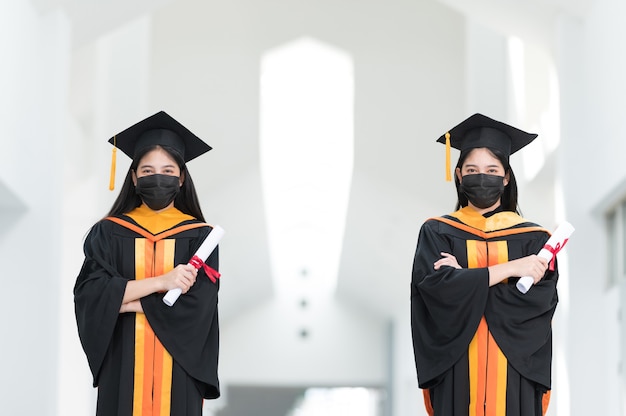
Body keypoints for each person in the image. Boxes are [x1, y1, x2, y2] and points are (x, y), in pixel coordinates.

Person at [74, 111, 221, 416]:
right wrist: (162, 283)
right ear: (133, 177)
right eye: (148, 170)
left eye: (168, 170)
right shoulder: (109, 231)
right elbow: (92, 295)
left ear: (181, 178)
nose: (158, 178)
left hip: (177, 368)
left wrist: (125, 302)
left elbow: (199, 306)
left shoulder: (199, 237)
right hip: (122, 364)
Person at [410, 113, 558, 416]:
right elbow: (435, 294)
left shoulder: (535, 239)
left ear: (505, 177)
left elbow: (536, 307)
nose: (482, 177)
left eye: (492, 170)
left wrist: (465, 281)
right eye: (473, 170)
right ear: (460, 175)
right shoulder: (437, 232)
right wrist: (509, 270)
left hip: (513, 371)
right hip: (458, 370)